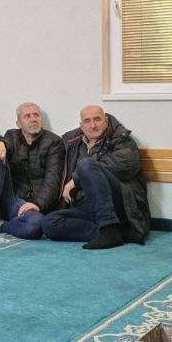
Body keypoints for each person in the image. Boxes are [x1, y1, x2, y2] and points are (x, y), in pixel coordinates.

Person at [43, 105, 150, 250]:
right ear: (81, 125)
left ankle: (108, 227)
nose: (92, 125)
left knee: (86, 164)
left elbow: (125, 165)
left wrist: (76, 178)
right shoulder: (72, 142)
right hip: (88, 205)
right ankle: (119, 233)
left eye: (97, 119)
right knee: (49, 223)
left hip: (121, 203)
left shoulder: (122, 140)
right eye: (87, 121)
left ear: (106, 121)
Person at [0, 102, 62, 240]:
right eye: (27, 116)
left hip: (34, 204)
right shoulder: (12, 136)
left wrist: (37, 204)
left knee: (35, 225)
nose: (33, 119)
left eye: (36, 115)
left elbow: (52, 180)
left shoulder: (54, 142)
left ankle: (0, 225)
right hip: (13, 199)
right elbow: (5, 144)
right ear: (19, 123)